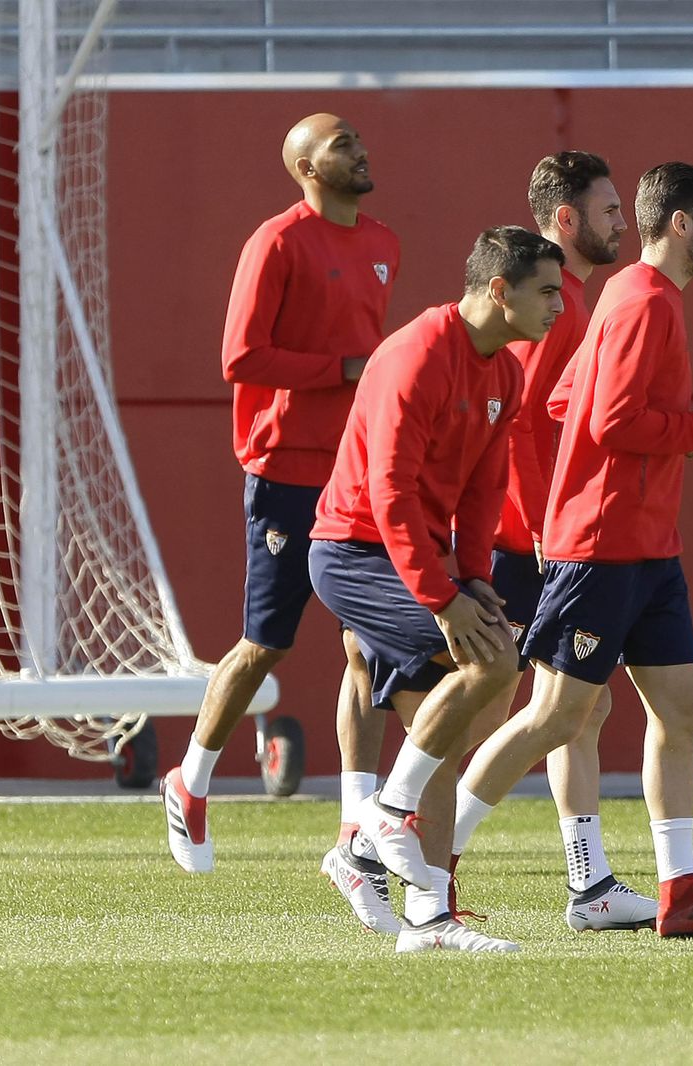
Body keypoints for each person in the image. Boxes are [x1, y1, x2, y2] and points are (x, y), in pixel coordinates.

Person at [448, 163, 693, 938]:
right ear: (682, 225)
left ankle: (680, 892)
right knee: (554, 717)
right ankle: (430, 850)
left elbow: (570, 400)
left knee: (682, 710)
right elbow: (610, 421)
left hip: (649, 546)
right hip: (601, 550)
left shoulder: (631, 295)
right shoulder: (644, 302)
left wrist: (670, 434)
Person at [405, 152, 658, 932]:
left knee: (580, 707)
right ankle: (410, 861)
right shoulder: (561, 307)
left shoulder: (570, 302)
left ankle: (588, 882)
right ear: (566, 219)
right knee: (493, 712)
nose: (622, 224)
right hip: (528, 544)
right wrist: (546, 522)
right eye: (609, 211)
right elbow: (516, 423)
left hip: (533, 536)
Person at [308, 226, 566, 954]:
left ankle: (426, 918)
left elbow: (485, 486)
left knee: (441, 734)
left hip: (413, 556)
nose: (558, 306)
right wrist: (442, 598)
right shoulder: (417, 355)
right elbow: (387, 492)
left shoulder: (506, 372)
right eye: (546, 291)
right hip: (354, 553)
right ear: (499, 291)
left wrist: (475, 578)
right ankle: (381, 821)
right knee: (495, 662)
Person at [161, 115, 395, 901]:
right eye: (341, 143)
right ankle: (190, 782)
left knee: (367, 646)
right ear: (305, 166)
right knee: (266, 645)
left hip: (357, 470)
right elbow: (241, 356)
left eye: (357, 138)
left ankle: (356, 825)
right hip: (285, 468)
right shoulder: (277, 242)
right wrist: (343, 368)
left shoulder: (383, 242)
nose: (359, 149)